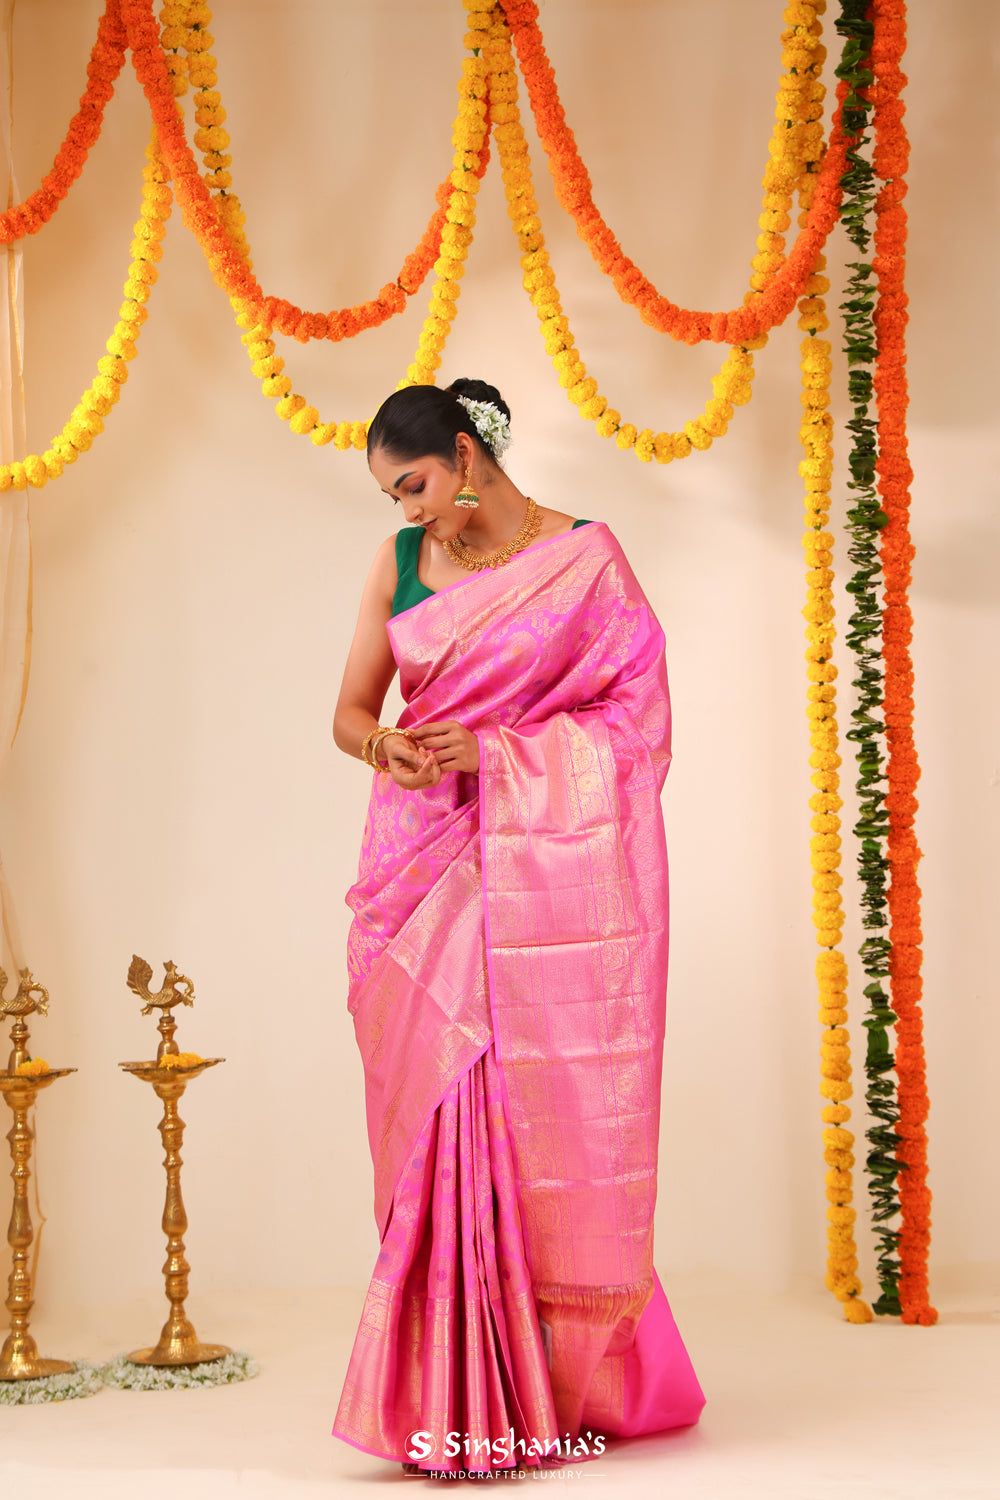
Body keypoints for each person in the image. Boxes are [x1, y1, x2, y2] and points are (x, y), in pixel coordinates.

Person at [331, 378, 705, 1475]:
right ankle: (451, 1387)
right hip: (424, 864)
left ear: (464, 452)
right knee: (440, 1110)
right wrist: (386, 748)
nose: (409, 511)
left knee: (529, 1110)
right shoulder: (399, 563)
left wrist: (497, 754)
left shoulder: (585, 559)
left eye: (414, 485)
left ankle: (549, 1378)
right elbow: (350, 712)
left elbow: (637, 725)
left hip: (540, 869)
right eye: (393, 497)